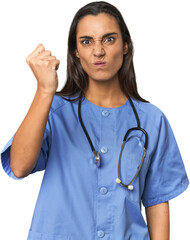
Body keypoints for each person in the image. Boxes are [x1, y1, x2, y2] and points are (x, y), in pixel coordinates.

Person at [1, 1, 189, 239]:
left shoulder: (152, 120)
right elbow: (19, 166)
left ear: (125, 47)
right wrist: (45, 90)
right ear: (75, 51)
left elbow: (157, 200)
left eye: (109, 39)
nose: (98, 51)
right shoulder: (54, 110)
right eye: (86, 41)